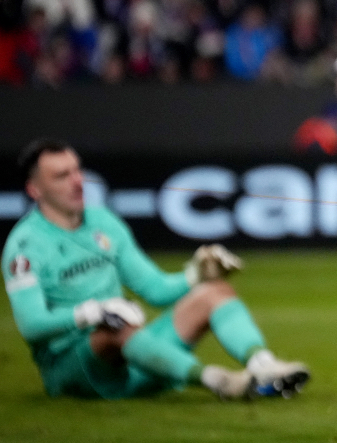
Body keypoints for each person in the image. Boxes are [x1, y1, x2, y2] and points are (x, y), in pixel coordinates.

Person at [2, 139, 308, 400]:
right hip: (74, 370)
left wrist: (196, 275)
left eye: (77, 170)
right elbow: (32, 325)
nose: (77, 181)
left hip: (134, 358)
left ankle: (262, 366)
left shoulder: (103, 222)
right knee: (115, 327)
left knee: (215, 292)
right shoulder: (25, 247)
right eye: (61, 176)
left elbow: (154, 289)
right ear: (34, 189)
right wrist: (92, 312)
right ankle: (219, 381)